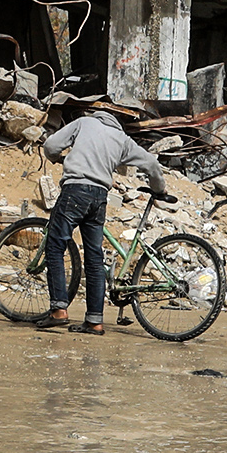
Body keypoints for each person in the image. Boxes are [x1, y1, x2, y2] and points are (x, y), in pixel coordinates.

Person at [37, 102, 173, 332]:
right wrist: (159, 190)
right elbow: (151, 163)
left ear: (96, 115)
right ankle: (95, 321)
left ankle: (59, 310)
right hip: (99, 197)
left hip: (75, 191)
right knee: (94, 259)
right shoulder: (121, 139)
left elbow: (50, 145)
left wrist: (58, 159)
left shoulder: (84, 123)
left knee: (55, 246)